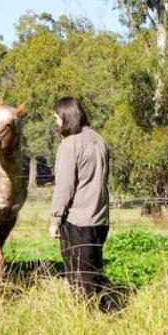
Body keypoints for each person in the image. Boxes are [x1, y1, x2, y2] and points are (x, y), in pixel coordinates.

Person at [49, 96, 113, 310]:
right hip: (101, 218)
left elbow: (65, 187)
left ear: (66, 117)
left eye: (57, 117)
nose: (56, 122)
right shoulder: (99, 140)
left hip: (78, 220)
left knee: (79, 276)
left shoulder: (70, 144)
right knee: (95, 268)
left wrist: (55, 219)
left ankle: (89, 318)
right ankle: (108, 311)